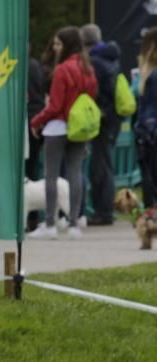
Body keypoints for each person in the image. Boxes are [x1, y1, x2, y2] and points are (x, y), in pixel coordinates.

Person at [30, 26, 98, 240]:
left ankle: (50, 223)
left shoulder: (62, 70)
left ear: (66, 45)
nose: (55, 48)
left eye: (58, 44)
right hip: (78, 127)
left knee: (51, 175)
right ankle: (74, 223)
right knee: (75, 174)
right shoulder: (87, 68)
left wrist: (36, 121)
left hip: (57, 127)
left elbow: (56, 105)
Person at [82, 23, 122, 226]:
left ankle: (103, 211)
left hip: (102, 118)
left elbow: (95, 91)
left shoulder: (96, 62)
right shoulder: (111, 58)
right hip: (112, 118)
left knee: (100, 167)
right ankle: (104, 209)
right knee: (105, 164)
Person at [26, 43, 47, 231]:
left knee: (26, 171)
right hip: (37, 119)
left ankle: (28, 215)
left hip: (25, 119)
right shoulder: (36, 66)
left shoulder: (19, 67)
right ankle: (33, 217)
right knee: (33, 168)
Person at [135, 28, 157, 208]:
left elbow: (150, 108)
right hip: (149, 132)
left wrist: (144, 131)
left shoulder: (152, 75)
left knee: (151, 179)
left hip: (150, 134)